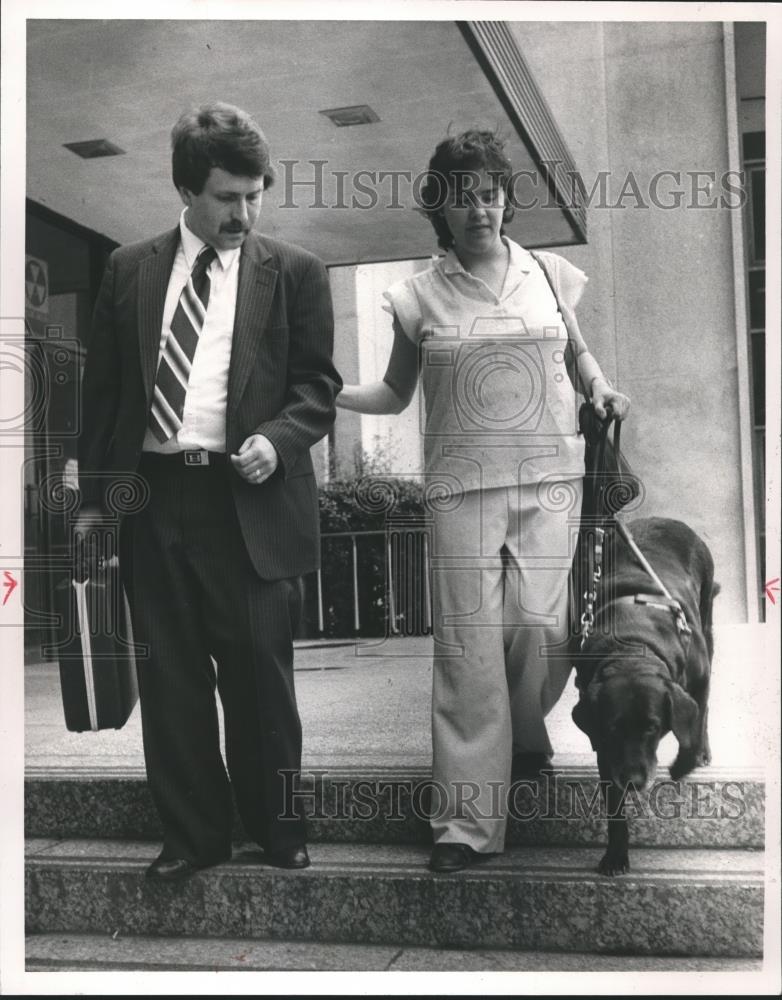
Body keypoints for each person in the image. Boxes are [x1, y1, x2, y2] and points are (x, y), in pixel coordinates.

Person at [337, 130, 629, 872]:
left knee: (541, 625)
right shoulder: (416, 294)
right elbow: (394, 391)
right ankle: (464, 826)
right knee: (469, 651)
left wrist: (598, 386)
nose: (481, 209)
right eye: (463, 197)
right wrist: (324, 390)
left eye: (491, 193)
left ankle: (525, 738)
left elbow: (575, 350)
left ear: (506, 199)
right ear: (442, 207)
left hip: (549, 478)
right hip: (460, 488)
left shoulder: (548, 273)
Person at [75, 102, 342, 880]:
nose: (245, 212)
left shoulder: (293, 271)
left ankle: (278, 827)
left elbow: (317, 387)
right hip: (154, 499)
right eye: (228, 197)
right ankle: (194, 837)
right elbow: (107, 394)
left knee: (261, 675)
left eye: (256, 194)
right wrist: (94, 502)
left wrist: (278, 439)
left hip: (247, 502)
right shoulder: (128, 269)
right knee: (172, 677)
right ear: (188, 190)